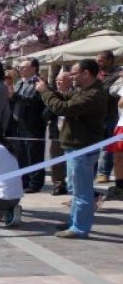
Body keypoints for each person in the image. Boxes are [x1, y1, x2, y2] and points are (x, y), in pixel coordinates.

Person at [36, 59, 108, 238]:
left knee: (82, 191)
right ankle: (76, 220)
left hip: (82, 148)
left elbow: (63, 108)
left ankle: (80, 228)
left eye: (74, 74)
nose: (71, 77)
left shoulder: (94, 94)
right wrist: (50, 88)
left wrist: (44, 92)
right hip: (75, 146)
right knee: (75, 188)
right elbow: (64, 98)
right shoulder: (83, 91)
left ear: (86, 73)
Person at [9, 58, 47, 193]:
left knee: (34, 154)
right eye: (19, 67)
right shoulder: (19, 82)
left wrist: (14, 96)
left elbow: (35, 103)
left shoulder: (39, 83)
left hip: (32, 124)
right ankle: (24, 180)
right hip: (19, 123)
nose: (20, 70)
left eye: (24, 67)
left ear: (34, 68)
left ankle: (35, 182)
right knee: (21, 154)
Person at [96, 49, 122, 183]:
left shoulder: (118, 75)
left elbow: (112, 92)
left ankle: (103, 173)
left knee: (108, 147)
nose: (98, 63)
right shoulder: (96, 74)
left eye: (101, 60)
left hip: (111, 116)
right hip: (96, 117)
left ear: (110, 60)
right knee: (94, 145)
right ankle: (94, 172)